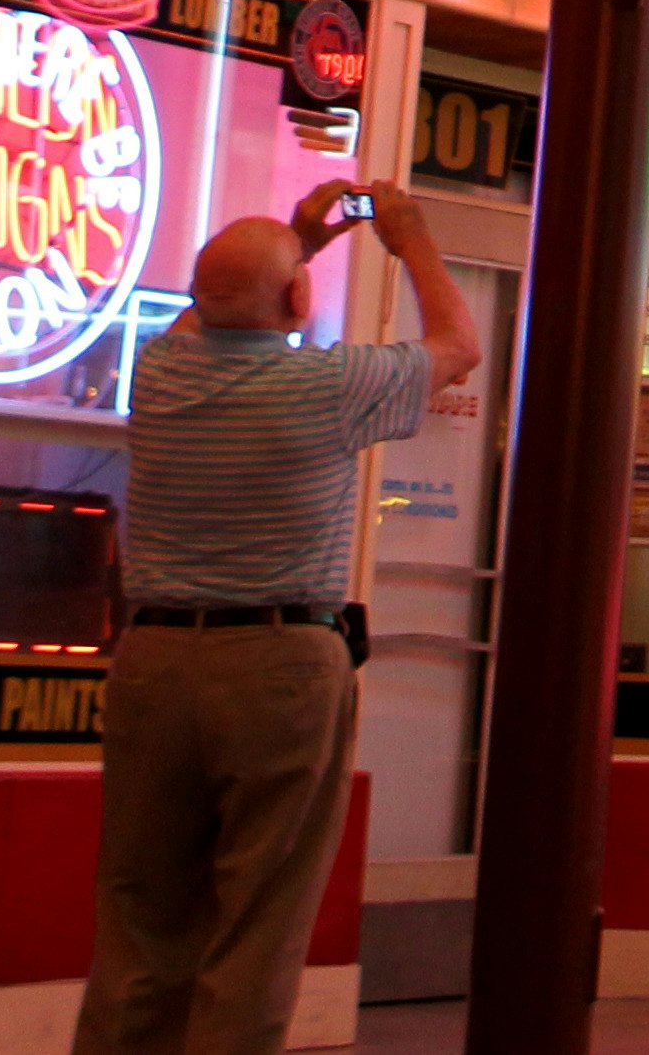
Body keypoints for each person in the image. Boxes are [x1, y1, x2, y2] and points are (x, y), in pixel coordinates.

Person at [76, 182, 477, 1055]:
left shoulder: (161, 373)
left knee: (140, 917)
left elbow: (212, 310)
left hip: (153, 660)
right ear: (297, 300)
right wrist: (410, 243)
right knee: (259, 919)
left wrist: (296, 243)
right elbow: (458, 345)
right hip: (282, 663)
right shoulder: (330, 386)